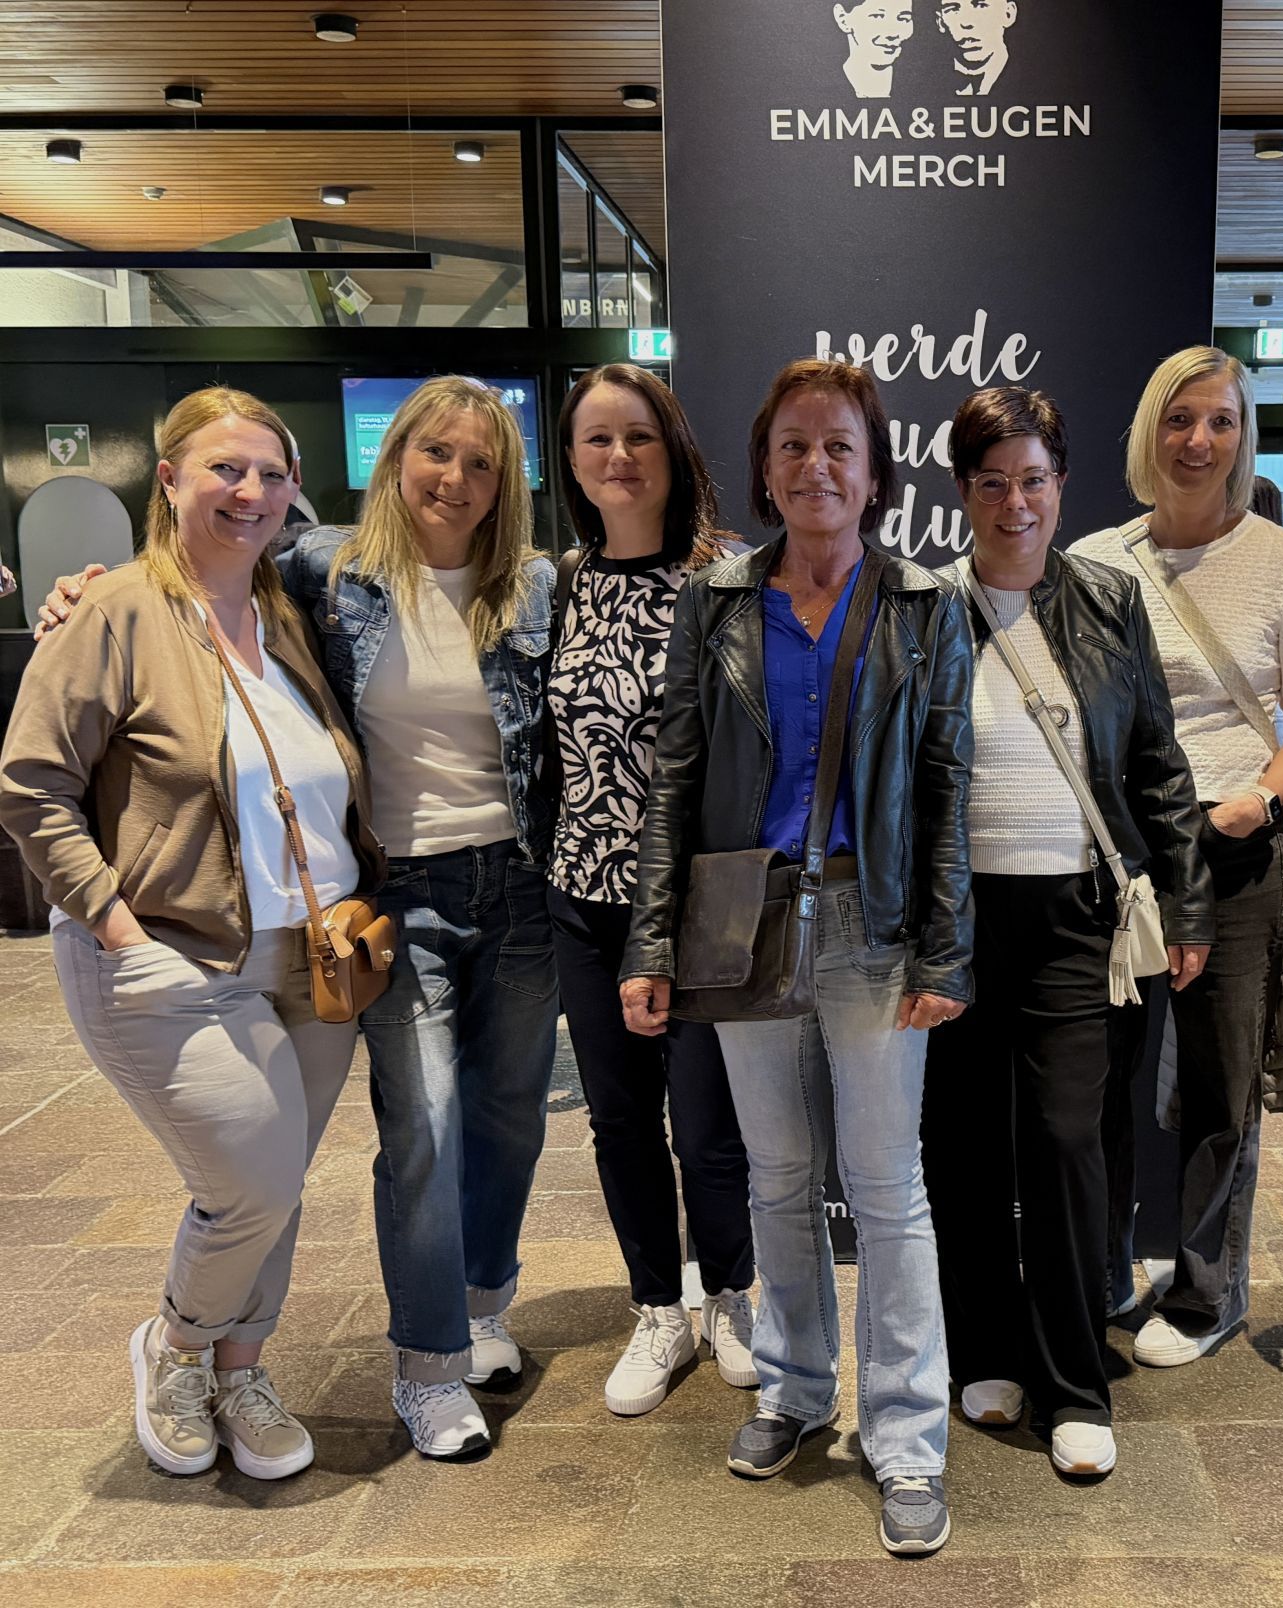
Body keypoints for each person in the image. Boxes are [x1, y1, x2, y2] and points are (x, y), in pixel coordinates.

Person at [35, 378, 557, 1464]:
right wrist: (83, 594)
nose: (453, 480)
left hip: (496, 893)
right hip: (392, 899)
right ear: (390, 461)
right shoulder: (330, 574)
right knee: (415, 1130)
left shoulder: (531, 586)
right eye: (433, 454)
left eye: (479, 460)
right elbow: (179, 589)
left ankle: (474, 1309)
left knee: (509, 1119)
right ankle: (424, 1368)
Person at [620, 358, 973, 1556]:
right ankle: (793, 1387)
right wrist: (651, 939)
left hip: (871, 923)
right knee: (775, 1173)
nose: (815, 466)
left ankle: (908, 1437)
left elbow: (944, 789)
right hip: (741, 923)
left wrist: (944, 944)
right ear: (764, 470)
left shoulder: (924, 606)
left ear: (874, 474)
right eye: (791, 447)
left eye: (838, 447)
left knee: (886, 1188)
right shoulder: (713, 601)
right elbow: (671, 785)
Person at [0, 387, 383, 1481]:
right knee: (251, 1180)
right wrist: (119, 927)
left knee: (278, 1183)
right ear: (167, 479)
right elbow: (31, 786)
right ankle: (172, 1347)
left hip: (313, 956)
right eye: (224, 469)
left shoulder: (290, 615)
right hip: (174, 950)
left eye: (270, 472)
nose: (250, 492)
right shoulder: (116, 610)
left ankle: (243, 1369)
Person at [922, 386, 1213, 1480]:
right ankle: (984, 1353)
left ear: (1060, 484)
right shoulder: (920, 607)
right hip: (955, 919)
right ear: (961, 491)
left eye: (1032, 480)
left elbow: (1156, 761)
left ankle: (1071, 1381)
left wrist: (1180, 896)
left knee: (1064, 1142)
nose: (1013, 503)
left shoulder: (1107, 602)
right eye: (991, 482)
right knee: (960, 1146)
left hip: (1076, 920)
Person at [1071, 346, 1283, 1368]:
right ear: (1150, 431)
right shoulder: (1097, 560)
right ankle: (1100, 1271)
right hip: (1116, 857)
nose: (1198, 441)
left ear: (1243, 436)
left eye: (1219, 422)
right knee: (1095, 1082)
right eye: (1179, 419)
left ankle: (1203, 1294)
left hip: (1230, 855)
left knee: (1214, 1088)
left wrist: (1257, 800)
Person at [546, 364, 757, 1416]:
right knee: (617, 1121)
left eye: (638, 437)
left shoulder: (727, 582)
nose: (618, 458)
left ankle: (730, 1291)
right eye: (596, 440)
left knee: (710, 1130)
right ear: (573, 463)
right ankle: (654, 1308)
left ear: (675, 452)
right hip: (582, 900)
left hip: (700, 907)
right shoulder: (555, 585)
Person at [836, 1, 915, 97]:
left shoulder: (924, 86)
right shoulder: (825, 88)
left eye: (904, 19)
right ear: (843, 19)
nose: (893, 33)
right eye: (877, 17)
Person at [936, 0, 1015, 94]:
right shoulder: (927, 81)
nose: (966, 23)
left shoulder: (1030, 76)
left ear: (1008, 14)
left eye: (981, 6)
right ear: (940, 22)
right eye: (952, 9)